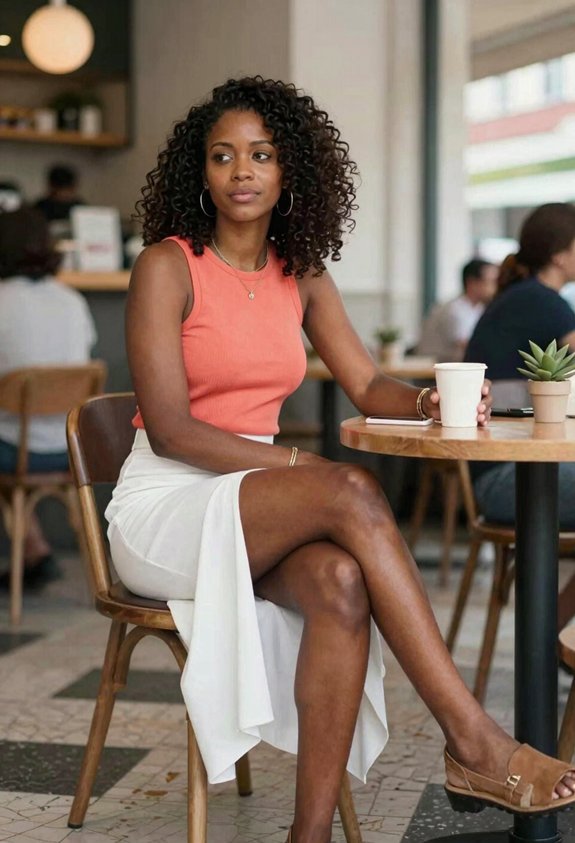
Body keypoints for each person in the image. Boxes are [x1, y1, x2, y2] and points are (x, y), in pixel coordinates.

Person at [104, 77, 575, 841]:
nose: (241, 171)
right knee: (348, 489)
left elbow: (363, 380)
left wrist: (422, 400)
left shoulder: (303, 271)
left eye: (260, 154)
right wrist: (296, 467)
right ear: (202, 171)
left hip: (254, 502)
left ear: (291, 169)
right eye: (222, 156)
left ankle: (310, 833)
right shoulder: (168, 264)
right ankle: (472, 739)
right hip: (167, 506)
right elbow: (169, 430)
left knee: (342, 580)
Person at [465, 202, 575, 628]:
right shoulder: (540, 302)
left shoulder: (526, 297)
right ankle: (555, 640)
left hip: (515, 469)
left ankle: (554, 638)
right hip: (507, 478)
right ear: (560, 255)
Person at [0, 207, 96, 585]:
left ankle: (34, 550)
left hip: (16, 448)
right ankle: (35, 551)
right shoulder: (72, 301)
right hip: (70, 447)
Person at [416, 259, 498, 361]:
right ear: (471, 282)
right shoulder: (454, 310)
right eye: (492, 281)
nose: (496, 287)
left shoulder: (478, 308)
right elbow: (470, 346)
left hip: (453, 369)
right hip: (433, 372)